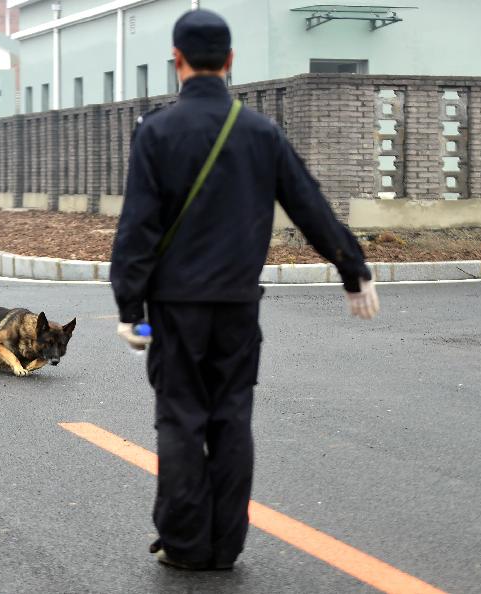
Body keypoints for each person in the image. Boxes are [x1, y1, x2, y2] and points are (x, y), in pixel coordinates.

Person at [110, 9, 380, 571]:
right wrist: (352, 269)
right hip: (237, 304)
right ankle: (225, 544)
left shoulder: (156, 131)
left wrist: (128, 307)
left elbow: (138, 226)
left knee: (180, 418)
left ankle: (185, 544)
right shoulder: (261, 132)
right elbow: (308, 204)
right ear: (230, 62)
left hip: (175, 306)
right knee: (232, 417)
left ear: (176, 61)